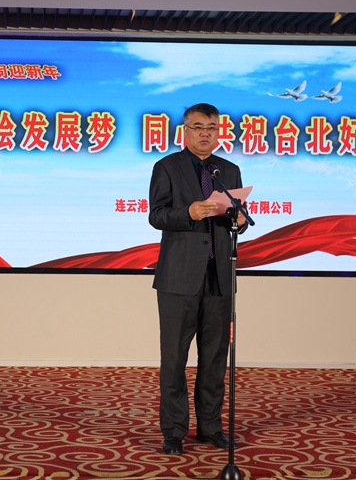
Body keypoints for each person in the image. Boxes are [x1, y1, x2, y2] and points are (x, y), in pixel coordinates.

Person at [148, 103, 247, 456]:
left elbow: (238, 216)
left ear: (219, 132)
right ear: (185, 131)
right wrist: (188, 213)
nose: (206, 133)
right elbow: (157, 215)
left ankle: (210, 427)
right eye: (198, 127)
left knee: (215, 357)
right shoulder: (167, 167)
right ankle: (174, 430)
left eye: (212, 128)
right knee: (174, 358)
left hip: (219, 275)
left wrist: (239, 221)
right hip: (178, 277)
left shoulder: (228, 170)